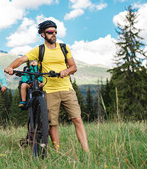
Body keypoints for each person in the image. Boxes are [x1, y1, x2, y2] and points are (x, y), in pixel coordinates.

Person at [5, 20, 89, 152]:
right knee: (52, 124)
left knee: (77, 119)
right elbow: (21, 60)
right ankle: (57, 151)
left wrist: (66, 71)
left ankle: (86, 151)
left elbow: (73, 67)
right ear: (43, 35)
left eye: (55, 31)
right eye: (50, 32)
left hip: (67, 88)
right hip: (49, 90)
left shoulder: (64, 48)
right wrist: (10, 66)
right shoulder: (39, 50)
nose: (54, 34)